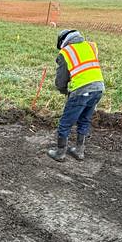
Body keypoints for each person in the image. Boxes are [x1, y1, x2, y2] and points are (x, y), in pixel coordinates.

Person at [47, 29, 105, 162]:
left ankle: (60, 153)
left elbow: (61, 80)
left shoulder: (66, 52)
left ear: (63, 41)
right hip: (99, 88)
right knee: (84, 119)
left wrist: (63, 90)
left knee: (65, 123)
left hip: (81, 90)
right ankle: (79, 151)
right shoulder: (90, 46)